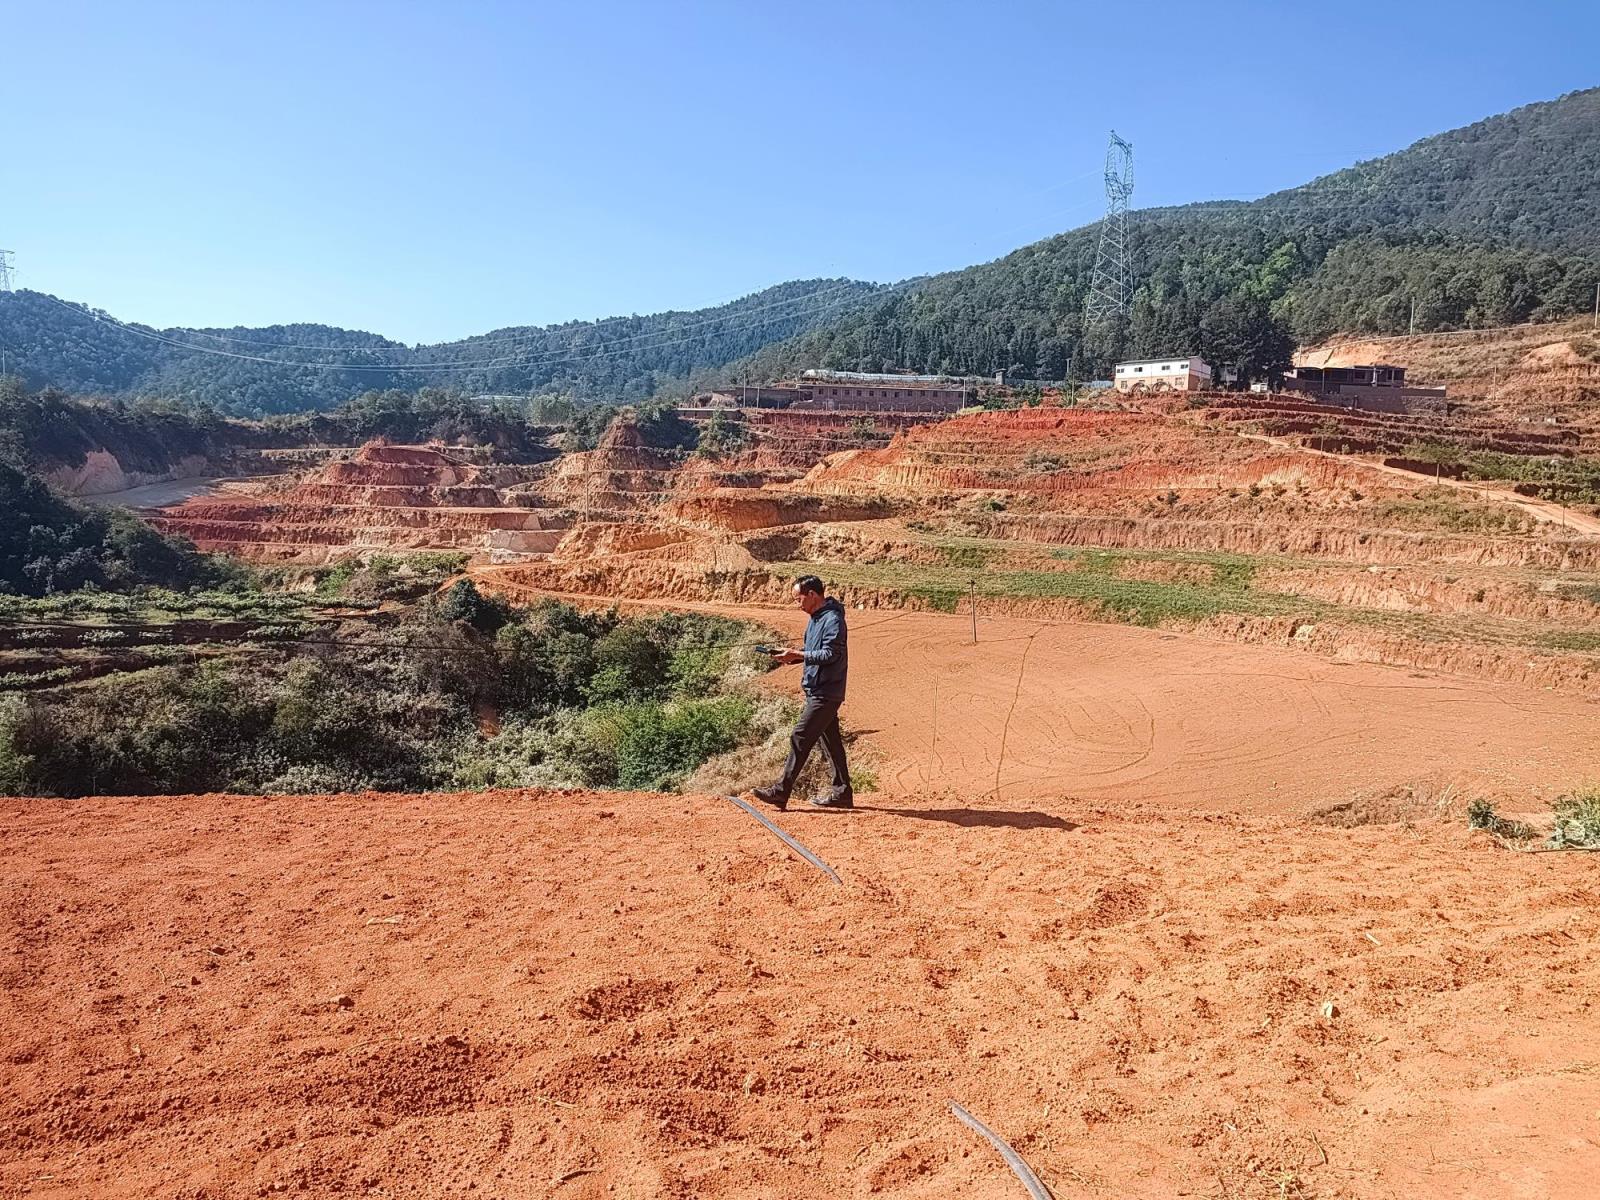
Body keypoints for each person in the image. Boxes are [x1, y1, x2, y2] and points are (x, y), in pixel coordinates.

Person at [750, 575, 853, 811]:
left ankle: (781, 791)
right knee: (831, 744)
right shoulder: (816, 619)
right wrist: (792, 657)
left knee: (800, 736)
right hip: (819, 689)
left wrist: (798, 654)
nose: (799, 605)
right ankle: (842, 793)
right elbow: (813, 651)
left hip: (826, 692)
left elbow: (831, 655)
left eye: (799, 600)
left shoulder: (833, 620)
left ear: (813, 595)